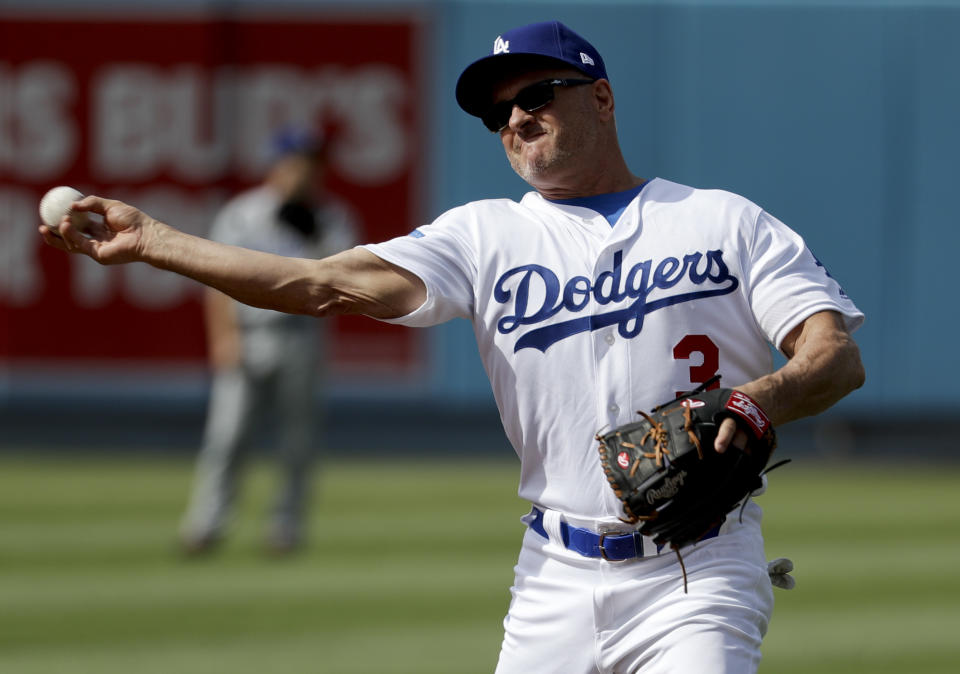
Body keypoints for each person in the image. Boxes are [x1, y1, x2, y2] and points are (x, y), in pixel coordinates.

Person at [41, 20, 864, 673]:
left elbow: (834, 355)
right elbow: (317, 284)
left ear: (603, 98)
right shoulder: (482, 235)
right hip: (555, 575)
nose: (514, 118)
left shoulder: (721, 219)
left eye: (536, 92)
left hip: (700, 568)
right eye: (495, 111)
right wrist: (152, 239)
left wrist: (763, 398)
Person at [180, 127, 359, 555]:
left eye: (311, 163)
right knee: (226, 436)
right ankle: (208, 523)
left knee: (298, 441)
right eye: (296, 161)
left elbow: (348, 280)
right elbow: (215, 280)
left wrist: (313, 237)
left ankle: (286, 528)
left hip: (302, 337)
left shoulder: (331, 216)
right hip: (249, 334)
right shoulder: (242, 213)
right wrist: (222, 337)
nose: (304, 171)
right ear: (277, 164)